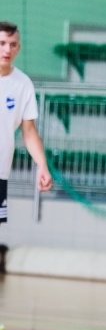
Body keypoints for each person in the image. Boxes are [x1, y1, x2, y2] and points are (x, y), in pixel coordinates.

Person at [0, 21, 52, 226]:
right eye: (2, 43)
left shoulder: (23, 84)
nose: (7, 50)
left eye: (13, 45)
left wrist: (42, 165)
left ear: (18, 48)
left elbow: (29, 132)